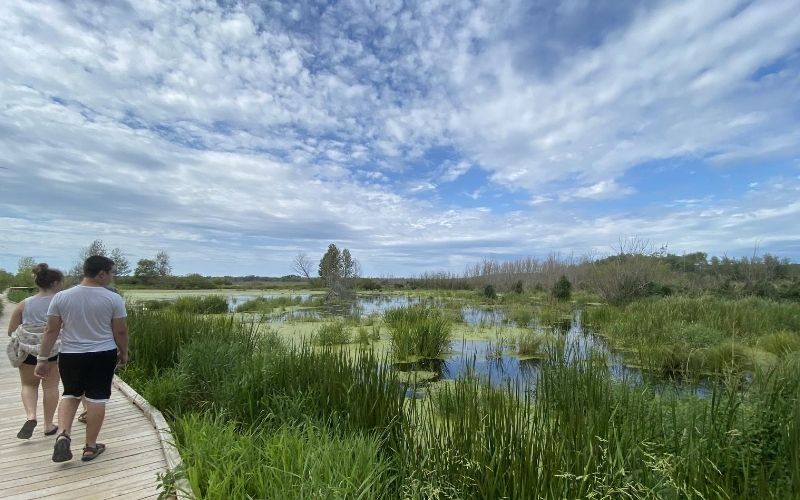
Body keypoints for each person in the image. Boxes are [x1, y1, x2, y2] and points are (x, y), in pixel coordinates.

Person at [35, 255, 128, 462]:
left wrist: (42, 358)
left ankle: (63, 434)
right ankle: (90, 447)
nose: (112, 277)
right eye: (111, 272)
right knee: (97, 398)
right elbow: (120, 331)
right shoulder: (113, 298)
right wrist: (124, 352)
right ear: (101, 273)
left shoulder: (61, 297)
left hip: (70, 355)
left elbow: (51, 330)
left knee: (70, 394)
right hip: (102, 355)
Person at [6, 263, 64, 439]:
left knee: (29, 385)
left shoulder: (24, 304)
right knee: (51, 387)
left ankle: (31, 416)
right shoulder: (61, 302)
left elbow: (11, 330)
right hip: (53, 351)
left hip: (27, 352)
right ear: (55, 283)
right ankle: (48, 425)